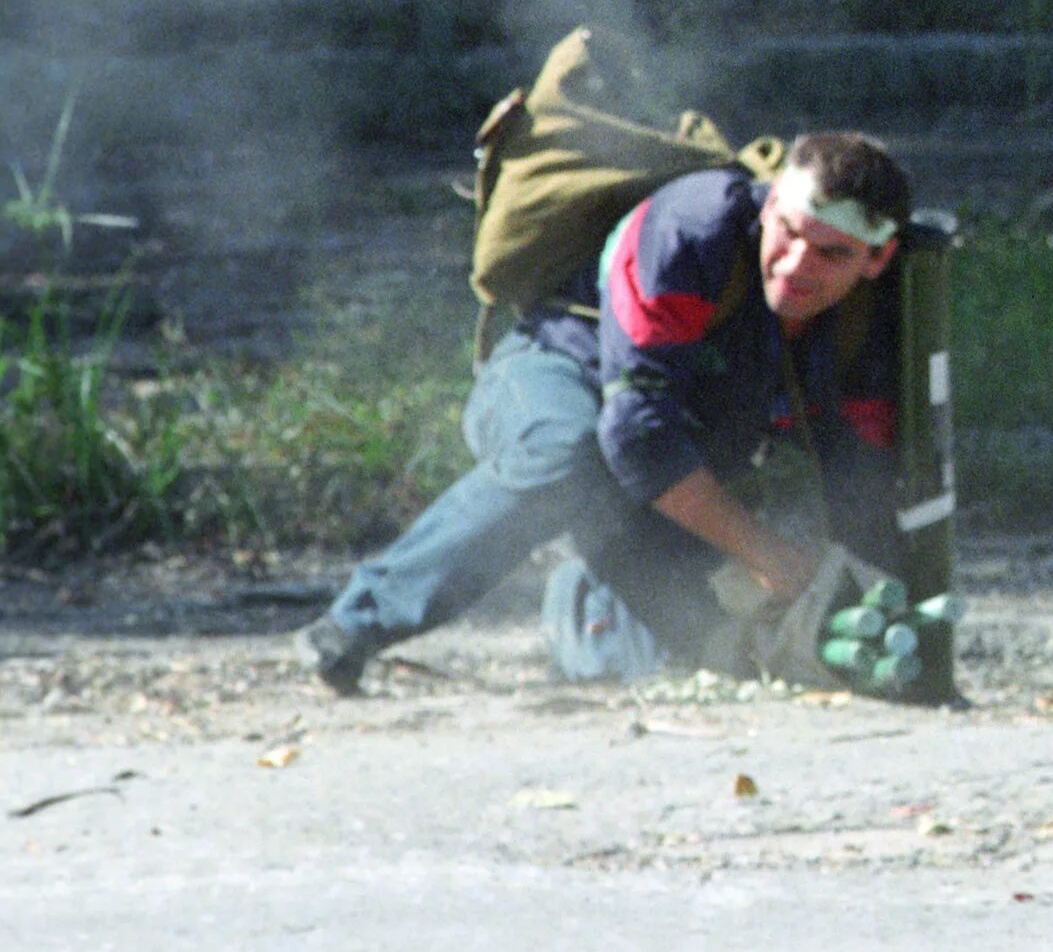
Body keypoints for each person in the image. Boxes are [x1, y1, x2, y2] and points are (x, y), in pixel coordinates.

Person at [304, 132, 918, 692]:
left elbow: (862, 461)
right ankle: (349, 627)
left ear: (877, 259)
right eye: (788, 231)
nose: (795, 265)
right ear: (769, 204)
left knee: (715, 653)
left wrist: (881, 599)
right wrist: (766, 553)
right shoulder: (691, 231)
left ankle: (581, 588)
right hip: (551, 373)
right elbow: (637, 436)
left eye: (831, 254)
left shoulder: (880, 308)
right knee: (564, 453)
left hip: (659, 457)